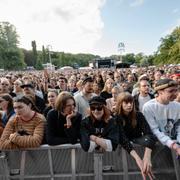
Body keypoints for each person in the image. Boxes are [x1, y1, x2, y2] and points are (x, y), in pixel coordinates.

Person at [115, 92, 156, 180]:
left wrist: (146, 157)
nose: (129, 105)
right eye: (126, 103)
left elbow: (149, 134)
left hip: (138, 141)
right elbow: (123, 139)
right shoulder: (116, 118)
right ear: (120, 104)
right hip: (127, 149)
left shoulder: (139, 115)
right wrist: (138, 159)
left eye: (131, 102)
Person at [143, 78, 180, 156]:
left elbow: (179, 127)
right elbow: (154, 130)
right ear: (160, 92)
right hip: (158, 148)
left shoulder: (177, 106)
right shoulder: (148, 107)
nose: (175, 93)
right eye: (170, 91)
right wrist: (172, 144)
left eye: (176, 90)